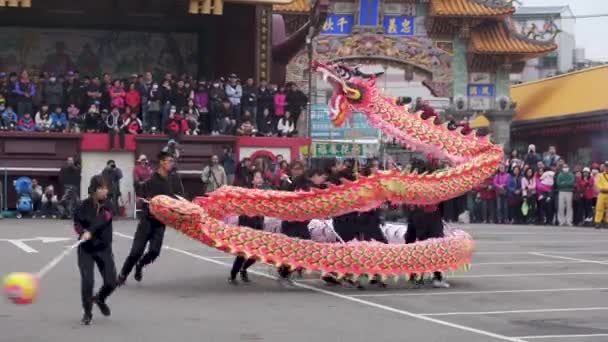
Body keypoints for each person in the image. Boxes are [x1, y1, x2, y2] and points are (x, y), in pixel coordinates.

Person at [117, 151, 184, 285]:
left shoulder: (174, 179)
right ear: (162, 162)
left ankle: (140, 265)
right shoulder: (152, 179)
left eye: (172, 161)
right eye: (169, 161)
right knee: (136, 252)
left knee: (154, 252)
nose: (172, 164)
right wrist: (143, 198)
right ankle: (123, 274)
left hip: (160, 222)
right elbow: (141, 193)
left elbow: (180, 196)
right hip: (147, 220)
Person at [74, 175, 117, 325]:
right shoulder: (82, 206)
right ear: (94, 190)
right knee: (88, 281)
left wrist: (90, 231)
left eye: (106, 188)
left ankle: (100, 298)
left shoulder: (109, 206)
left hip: (103, 249)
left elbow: (103, 220)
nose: (105, 191)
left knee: (112, 282)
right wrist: (81, 233)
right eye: (101, 188)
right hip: (86, 249)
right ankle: (87, 312)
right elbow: (77, 223)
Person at [228, 169, 265, 284]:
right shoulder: (246, 192)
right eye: (257, 177)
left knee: (256, 254)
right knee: (242, 254)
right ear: (252, 180)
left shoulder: (264, 193)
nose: (260, 179)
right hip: (246, 224)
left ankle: (244, 269)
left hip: (257, 224)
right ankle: (233, 275)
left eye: (261, 177)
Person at [594, 161, 608, 229]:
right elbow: (597, 183)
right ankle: (598, 222)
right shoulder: (600, 175)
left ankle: (607, 222)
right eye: (606, 166)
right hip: (602, 193)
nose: (607, 168)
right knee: (599, 208)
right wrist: (602, 188)